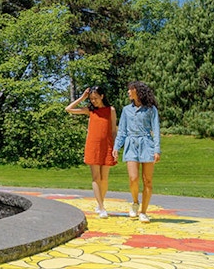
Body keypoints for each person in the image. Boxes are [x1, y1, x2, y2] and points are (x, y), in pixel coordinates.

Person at [65, 85, 117, 217]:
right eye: (91, 98)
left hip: (107, 146)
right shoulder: (90, 110)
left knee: (104, 178)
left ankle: (101, 203)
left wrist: (115, 148)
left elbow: (113, 130)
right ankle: (101, 207)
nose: (93, 101)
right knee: (96, 177)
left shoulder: (111, 110)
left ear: (102, 96)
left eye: (96, 98)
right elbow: (68, 109)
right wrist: (82, 97)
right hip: (93, 146)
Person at [115, 81, 160, 223]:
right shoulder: (126, 110)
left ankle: (144, 212)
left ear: (137, 91)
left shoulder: (151, 110)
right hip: (131, 144)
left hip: (147, 145)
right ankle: (135, 202)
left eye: (130, 90)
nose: (128, 92)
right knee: (133, 178)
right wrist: (117, 147)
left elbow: (156, 130)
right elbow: (122, 130)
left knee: (147, 180)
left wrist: (157, 149)